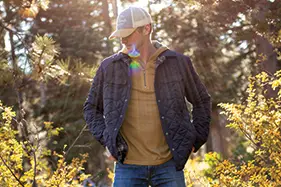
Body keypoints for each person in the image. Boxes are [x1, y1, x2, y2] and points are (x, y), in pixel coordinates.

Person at [83, 6, 211, 187]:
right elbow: (91, 108)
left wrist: (195, 139)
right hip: (127, 166)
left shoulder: (178, 63)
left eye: (128, 33)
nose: (123, 39)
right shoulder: (109, 67)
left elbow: (201, 101)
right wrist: (108, 139)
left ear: (146, 29)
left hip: (169, 165)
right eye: (121, 34)